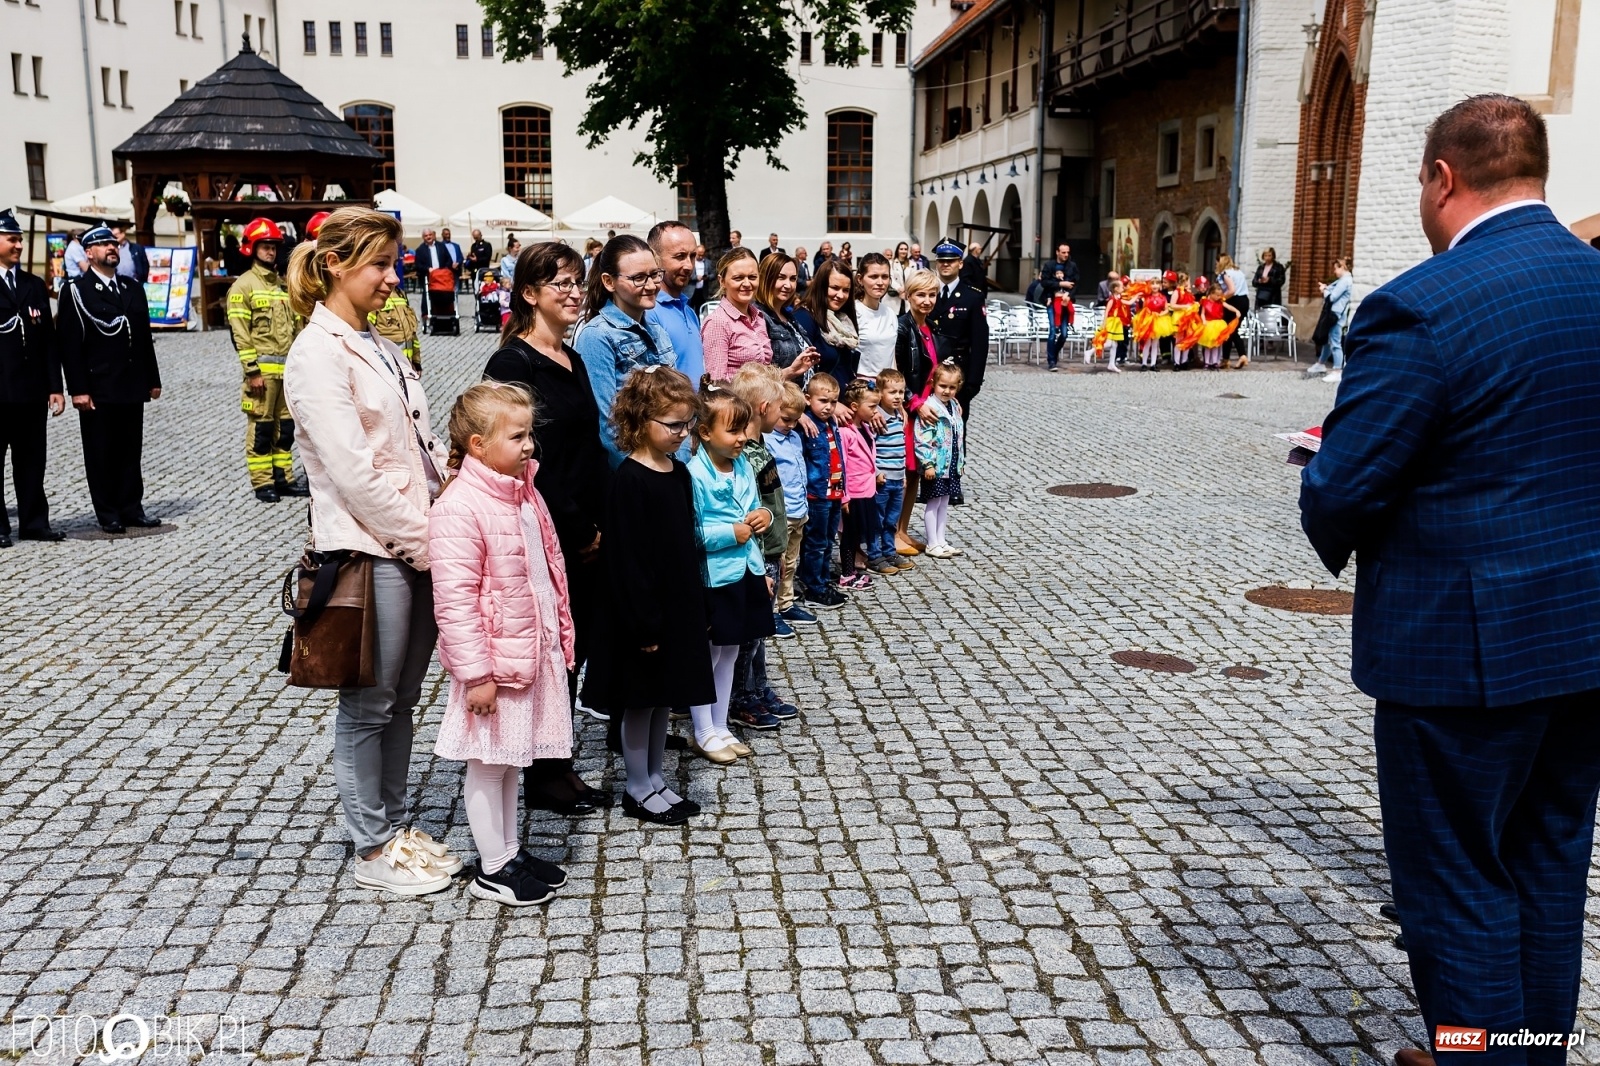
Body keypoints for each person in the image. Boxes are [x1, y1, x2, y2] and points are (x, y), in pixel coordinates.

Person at [1299, 94, 1600, 1066]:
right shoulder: (1592, 282)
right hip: (1584, 638)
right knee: (1546, 868)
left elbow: (1341, 484)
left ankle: (1477, 1054)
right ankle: (1525, 1053)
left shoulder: (1423, 305)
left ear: (1441, 178)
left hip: (1461, 655)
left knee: (1456, 885)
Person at [282, 206, 457, 896]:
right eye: (380, 264)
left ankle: (394, 825)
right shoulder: (316, 353)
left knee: (404, 697)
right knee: (368, 703)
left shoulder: (377, 340)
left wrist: (456, 501)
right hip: (370, 550)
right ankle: (369, 844)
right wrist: (425, 542)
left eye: (395, 264)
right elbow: (354, 471)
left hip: (415, 544)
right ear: (335, 264)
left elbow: (416, 444)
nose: (393, 278)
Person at [429, 382, 575, 906]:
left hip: (528, 651)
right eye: (516, 436)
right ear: (477, 444)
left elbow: (545, 568)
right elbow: (455, 602)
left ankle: (509, 851)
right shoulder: (460, 507)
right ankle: (492, 866)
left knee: (512, 760)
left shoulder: (523, 489)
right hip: (495, 662)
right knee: (489, 761)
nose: (529, 445)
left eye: (529, 433)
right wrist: (477, 675)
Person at [484, 241, 615, 815]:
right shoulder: (514, 363)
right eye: (558, 282)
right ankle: (542, 770)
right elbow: (521, 457)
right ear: (528, 293)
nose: (572, 291)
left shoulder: (570, 354)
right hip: (548, 523)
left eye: (576, 280)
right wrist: (577, 524)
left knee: (574, 643)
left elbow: (586, 444)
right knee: (549, 648)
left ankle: (554, 757)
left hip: (587, 520)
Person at [591, 365, 711, 824]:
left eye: (687, 424)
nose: (683, 434)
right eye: (673, 425)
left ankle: (657, 778)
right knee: (639, 702)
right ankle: (637, 786)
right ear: (641, 422)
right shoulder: (629, 480)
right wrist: (644, 623)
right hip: (644, 615)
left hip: (676, 605)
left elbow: (687, 539)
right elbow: (628, 561)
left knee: (664, 698)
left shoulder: (678, 473)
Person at [686, 383, 774, 764]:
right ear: (705, 433)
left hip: (745, 569)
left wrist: (764, 517)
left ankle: (721, 724)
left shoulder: (741, 465)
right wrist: (729, 533)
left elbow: (756, 505)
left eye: (743, 430)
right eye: (733, 431)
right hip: (715, 574)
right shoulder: (693, 474)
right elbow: (689, 532)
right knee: (707, 654)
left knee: (732, 651)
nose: (741, 439)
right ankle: (702, 729)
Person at [56, 226, 162, 535]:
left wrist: (151, 378)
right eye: (103, 244)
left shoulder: (131, 287)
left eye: (113, 244)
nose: (111, 248)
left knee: (130, 449)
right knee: (101, 452)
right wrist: (78, 389)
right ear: (88, 252)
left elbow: (143, 337)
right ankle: (108, 512)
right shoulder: (77, 290)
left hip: (130, 383)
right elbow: (70, 344)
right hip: (98, 386)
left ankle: (132, 507)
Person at [726, 364, 800, 725]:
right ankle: (740, 697)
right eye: (777, 404)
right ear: (762, 408)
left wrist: (780, 549)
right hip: (757, 554)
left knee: (761, 630)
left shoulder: (760, 448)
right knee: (750, 633)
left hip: (771, 552)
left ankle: (758, 687)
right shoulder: (745, 457)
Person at [574, 235, 677, 466]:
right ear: (609, 282)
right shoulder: (597, 336)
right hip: (632, 473)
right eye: (639, 278)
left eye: (654, 274)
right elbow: (606, 424)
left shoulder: (658, 331)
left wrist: (679, 466)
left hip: (668, 465)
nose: (651, 285)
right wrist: (640, 475)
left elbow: (677, 404)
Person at [227, 217, 309, 503]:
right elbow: (240, 335)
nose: (271, 252)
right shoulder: (243, 287)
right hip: (261, 375)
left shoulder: (284, 286)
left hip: (287, 374)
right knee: (262, 429)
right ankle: (263, 483)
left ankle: (283, 478)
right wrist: (252, 372)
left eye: (274, 246)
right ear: (252, 248)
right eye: (265, 246)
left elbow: (298, 328)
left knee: (285, 429)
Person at [0, 208, 66, 547]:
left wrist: (55, 387)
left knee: (31, 460)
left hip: (30, 392)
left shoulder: (33, 285)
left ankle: (34, 522)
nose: (19, 245)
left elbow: (48, 343)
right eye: (12, 239)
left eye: (20, 239)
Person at [892, 269, 941, 554]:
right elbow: (898, 372)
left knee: (915, 474)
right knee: (903, 472)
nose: (926, 300)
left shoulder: (928, 328)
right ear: (908, 296)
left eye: (931, 294)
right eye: (920, 294)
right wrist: (913, 403)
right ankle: (893, 533)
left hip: (925, 409)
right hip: (910, 410)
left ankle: (903, 529)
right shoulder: (902, 327)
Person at [797, 373, 848, 611]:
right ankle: (813, 586)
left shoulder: (831, 425)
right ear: (808, 399)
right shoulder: (807, 425)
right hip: (817, 495)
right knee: (815, 543)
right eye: (823, 401)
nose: (828, 407)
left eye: (833, 402)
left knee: (828, 541)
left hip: (834, 493)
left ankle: (823, 580)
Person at [765, 382, 813, 628]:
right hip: (782, 513)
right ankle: (771, 609)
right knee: (778, 564)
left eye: (796, 420)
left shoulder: (794, 437)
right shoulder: (768, 440)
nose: (792, 425)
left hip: (799, 509)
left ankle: (787, 603)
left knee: (792, 562)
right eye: (786, 419)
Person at [929, 240, 988, 434]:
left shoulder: (972, 297)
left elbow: (980, 343)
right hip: (928, 375)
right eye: (941, 260)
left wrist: (972, 384)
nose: (946, 264)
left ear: (960, 263)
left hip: (957, 376)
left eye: (951, 260)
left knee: (955, 434)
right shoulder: (927, 292)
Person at [837, 378, 887, 584]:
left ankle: (854, 569)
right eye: (873, 406)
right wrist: (844, 496)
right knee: (848, 535)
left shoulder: (865, 429)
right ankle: (847, 574)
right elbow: (842, 465)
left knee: (858, 533)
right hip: (853, 493)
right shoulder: (846, 432)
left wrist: (876, 474)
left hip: (867, 491)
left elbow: (868, 457)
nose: (877, 411)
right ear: (855, 407)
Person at [915, 363, 967, 558]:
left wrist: (960, 462)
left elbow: (958, 436)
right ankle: (932, 542)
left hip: (950, 464)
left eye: (952, 387)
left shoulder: (953, 406)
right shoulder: (930, 408)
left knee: (944, 502)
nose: (947, 391)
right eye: (943, 386)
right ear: (933, 384)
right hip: (935, 465)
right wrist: (927, 463)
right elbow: (922, 438)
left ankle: (941, 540)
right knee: (933, 503)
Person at [645, 220, 705, 384]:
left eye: (692, 256)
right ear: (655, 259)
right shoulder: (649, 312)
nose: (688, 265)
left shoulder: (689, 311)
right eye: (680, 256)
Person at [700, 248, 772, 380]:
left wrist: (791, 370)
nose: (746, 283)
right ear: (722, 281)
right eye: (738, 278)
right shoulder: (718, 322)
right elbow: (716, 384)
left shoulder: (759, 318)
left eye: (752, 277)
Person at [869, 368, 913, 574]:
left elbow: (901, 449)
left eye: (901, 392)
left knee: (891, 519)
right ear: (880, 393)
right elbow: (870, 447)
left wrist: (903, 475)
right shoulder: (877, 418)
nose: (898, 397)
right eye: (892, 392)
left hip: (897, 478)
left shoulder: (898, 416)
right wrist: (876, 471)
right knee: (877, 519)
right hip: (883, 479)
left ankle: (889, 550)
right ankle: (874, 554)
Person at [753, 253, 820, 382]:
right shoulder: (757, 317)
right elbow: (758, 380)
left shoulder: (789, 317)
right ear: (765, 278)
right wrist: (790, 372)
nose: (788, 285)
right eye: (781, 278)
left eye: (793, 279)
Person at [794, 259, 859, 382]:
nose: (840, 295)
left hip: (845, 398)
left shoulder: (844, 320)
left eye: (846, 290)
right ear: (821, 286)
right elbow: (803, 376)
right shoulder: (804, 318)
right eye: (835, 288)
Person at [1307, 258, 1354, 383]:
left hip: (1336, 315)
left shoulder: (1345, 281)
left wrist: (1324, 290)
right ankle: (1321, 363)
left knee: (1335, 342)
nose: (1334, 271)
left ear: (1342, 267)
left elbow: (1332, 297)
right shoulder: (1344, 280)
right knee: (1328, 340)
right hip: (1335, 314)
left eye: (1336, 268)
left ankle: (1338, 370)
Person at [854, 253, 899, 381]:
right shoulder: (854, 313)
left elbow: (891, 356)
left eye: (884, 277)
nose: (880, 282)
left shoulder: (890, 314)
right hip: (863, 388)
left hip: (888, 387)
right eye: (873, 277)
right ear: (860, 279)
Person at [1040, 243, 1079, 371]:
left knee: (1064, 333)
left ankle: (1054, 354)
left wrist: (1069, 295)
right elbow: (1044, 282)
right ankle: (1051, 361)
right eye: (1063, 252)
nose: (1066, 255)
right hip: (1052, 301)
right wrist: (1061, 283)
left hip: (1066, 302)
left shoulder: (1072, 266)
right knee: (1052, 331)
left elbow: (1076, 283)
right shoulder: (1049, 265)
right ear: (1057, 252)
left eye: (1067, 252)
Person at [1214, 253, 1251, 368]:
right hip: (1244, 300)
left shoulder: (1225, 274)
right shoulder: (1238, 272)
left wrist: (1221, 298)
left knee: (1229, 330)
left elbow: (1231, 290)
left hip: (1234, 301)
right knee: (1232, 330)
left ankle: (1241, 355)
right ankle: (1226, 359)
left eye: (1217, 262)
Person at [413, 229, 456, 321]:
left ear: (433, 235)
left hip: (442, 276)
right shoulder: (420, 250)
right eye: (426, 236)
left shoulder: (442, 246)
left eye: (430, 235)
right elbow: (418, 265)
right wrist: (428, 269)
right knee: (427, 294)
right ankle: (426, 314)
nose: (428, 237)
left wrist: (445, 270)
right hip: (428, 277)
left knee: (444, 294)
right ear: (423, 237)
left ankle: (446, 311)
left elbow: (449, 260)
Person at [1196, 281, 1240, 369]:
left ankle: (1215, 362)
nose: (1219, 297)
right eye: (1217, 295)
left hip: (1218, 324)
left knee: (1216, 345)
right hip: (1209, 324)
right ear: (1211, 294)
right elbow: (1202, 313)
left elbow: (1228, 306)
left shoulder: (1220, 302)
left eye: (1219, 295)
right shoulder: (1205, 301)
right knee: (1208, 345)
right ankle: (1207, 362)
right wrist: (1204, 320)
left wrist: (1236, 310)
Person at [1091, 278, 1128, 371]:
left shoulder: (1118, 298)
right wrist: (1104, 323)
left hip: (1116, 322)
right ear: (1116, 288)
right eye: (1121, 287)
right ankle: (1091, 351)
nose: (1123, 288)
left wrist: (1137, 296)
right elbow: (1107, 311)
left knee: (1114, 344)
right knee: (1109, 343)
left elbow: (1129, 302)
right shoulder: (1112, 299)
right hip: (1112, 321)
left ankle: (1111, 364)